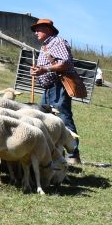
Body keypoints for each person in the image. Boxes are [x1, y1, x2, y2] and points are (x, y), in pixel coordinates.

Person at [30, 18, 81, 165]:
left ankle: (73, 154)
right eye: (35, 30)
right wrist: (37, 71)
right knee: (43, 118)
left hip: (58, 86)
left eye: (38, 29)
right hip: (48, 88)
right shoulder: (45, 46)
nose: (36, 33)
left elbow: (66, 62)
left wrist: (45, 69)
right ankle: (54, 153)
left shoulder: (57, 42)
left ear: (48, 29)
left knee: (63, 118)